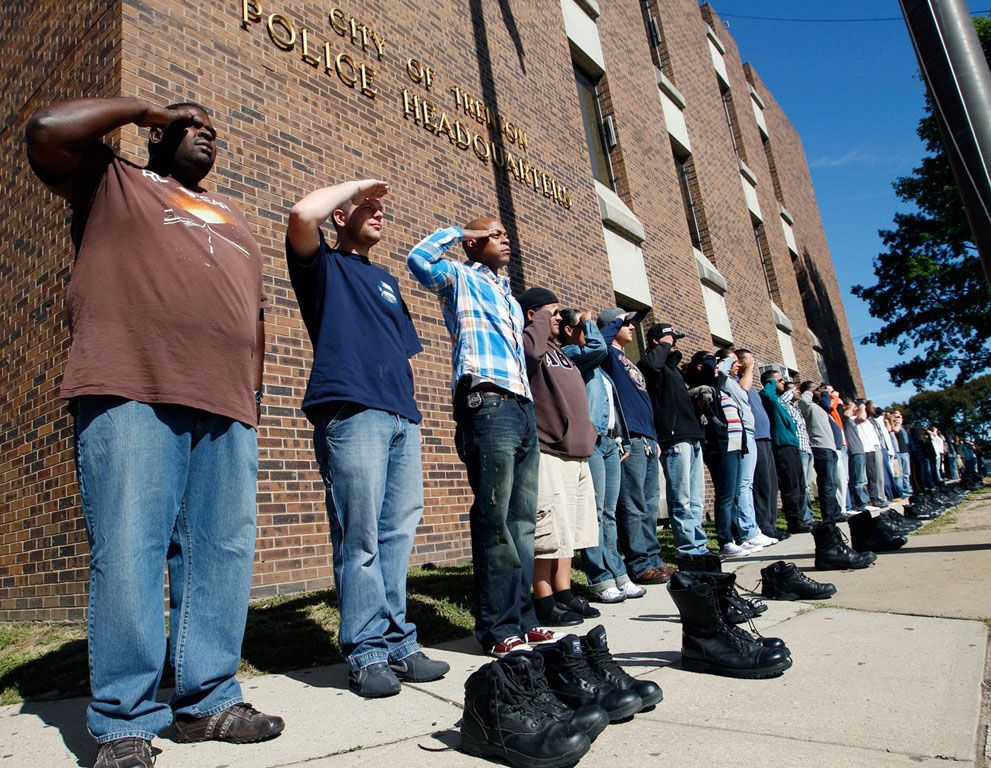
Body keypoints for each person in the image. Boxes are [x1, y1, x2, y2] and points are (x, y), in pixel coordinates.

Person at [25, 97, 283, 767]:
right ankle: (123, 722)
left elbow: (254, 316)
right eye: (191, 125)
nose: (206, 135)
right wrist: (143, 108)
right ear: (158, 134)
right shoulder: (113, 181)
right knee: (130, 549)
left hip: (225, 401)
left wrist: (252, 393)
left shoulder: (233, 217)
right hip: (131, 382)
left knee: (221, 552)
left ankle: (208, 702)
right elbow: (47, 132)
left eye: (214, 131)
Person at [286, 178, 449, 697]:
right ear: (341, 216)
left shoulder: (386, 281)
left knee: (398, 534)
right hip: (352, 410)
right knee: (359, 535)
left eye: (381, 208)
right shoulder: (323, 268)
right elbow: (302, 215)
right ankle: (366, 651)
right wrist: (357, 186)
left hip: (401, 416)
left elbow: (402, 352)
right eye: (367, 208)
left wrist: (412, 414)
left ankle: (399, 643)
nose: (378, 213)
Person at [407, 218, 552, 656]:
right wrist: (459, 232)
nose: (505, 239)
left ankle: (524, 620)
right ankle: (497, 627)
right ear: (474, 243)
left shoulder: (508, 295)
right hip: (487, 401)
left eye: (507, 234)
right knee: (495, 517)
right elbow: (418, 259)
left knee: (523, 521)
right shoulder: (459, 278)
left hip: (522, 405)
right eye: (495, 234)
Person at [518, 290, 599, 626]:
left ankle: (563, 590)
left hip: (577, 449)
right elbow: (529, 353)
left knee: (569, 530)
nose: (559, 317)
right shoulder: (530, 344)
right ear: (533, 315)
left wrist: (584, 324)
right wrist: (539, 319)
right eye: (552, 312)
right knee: (549, 531)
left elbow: (596, 348)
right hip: (550, 447)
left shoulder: (562, 352)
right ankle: (543, 596)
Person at [558, 309, 643, 603]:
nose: (590, 330)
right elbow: (598, 348)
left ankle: (619, 574)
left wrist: (623, 439)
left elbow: (612, 405)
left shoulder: (599, 367)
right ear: (570, 330)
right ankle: (599, 578)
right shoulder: (572, 354)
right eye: (584, 326)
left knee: (608, 513)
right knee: (593, 513)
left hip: (610, 443)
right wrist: (588, 322)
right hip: (592, 441)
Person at [598, 309, 675, 584]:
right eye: (626, 323)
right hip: (631, 438)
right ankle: (639, 564)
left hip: (648, 439)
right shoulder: (607, 354)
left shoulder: (627, 360)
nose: (632, 327)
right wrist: (616, 321)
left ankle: (653, 559)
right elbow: (598, 342)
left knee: (650, 503)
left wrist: (654, 438)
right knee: (633, 503)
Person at [639, 323, 708, 558]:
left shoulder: (672, 368)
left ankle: (699, 547)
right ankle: (688, 550)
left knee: (696, 498)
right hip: (673, 437)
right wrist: (665, 346)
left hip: (692, 435)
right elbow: (650, 366)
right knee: (682, 498)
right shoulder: (650, 364)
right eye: (670, 338)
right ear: (656, 341)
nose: (674, 342)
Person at [736, 351, 784, 541]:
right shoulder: (738, 381)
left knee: (771, 483)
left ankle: (771, 524)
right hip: (754, 437)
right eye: (748, 358)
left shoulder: (751, 385)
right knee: (761, 483)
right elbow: (742, 390)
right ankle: (763, 525)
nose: (752, 361)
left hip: (765, 437)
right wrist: (748, 368)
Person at [760, 370, 806, 532]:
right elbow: (767, 394)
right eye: (780, 380)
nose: (783, 383)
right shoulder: (769, 398)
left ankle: (801, 518)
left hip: (793, 445)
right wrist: (772, 381)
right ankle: (794, 522)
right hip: (783, 446)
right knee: (790, 484)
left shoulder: (779, 401)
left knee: (800, 485)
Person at [795, 382, 842, 523]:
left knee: (833, 483)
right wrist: (811, 390)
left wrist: (825, 393)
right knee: (826, 483)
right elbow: (803, 402)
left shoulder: (820, 407)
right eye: (816, 389)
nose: (819, 391)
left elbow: (827, 405)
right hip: (819, 447)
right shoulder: (807, 405)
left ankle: (835, 513)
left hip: (830, 447)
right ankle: (829, 515)